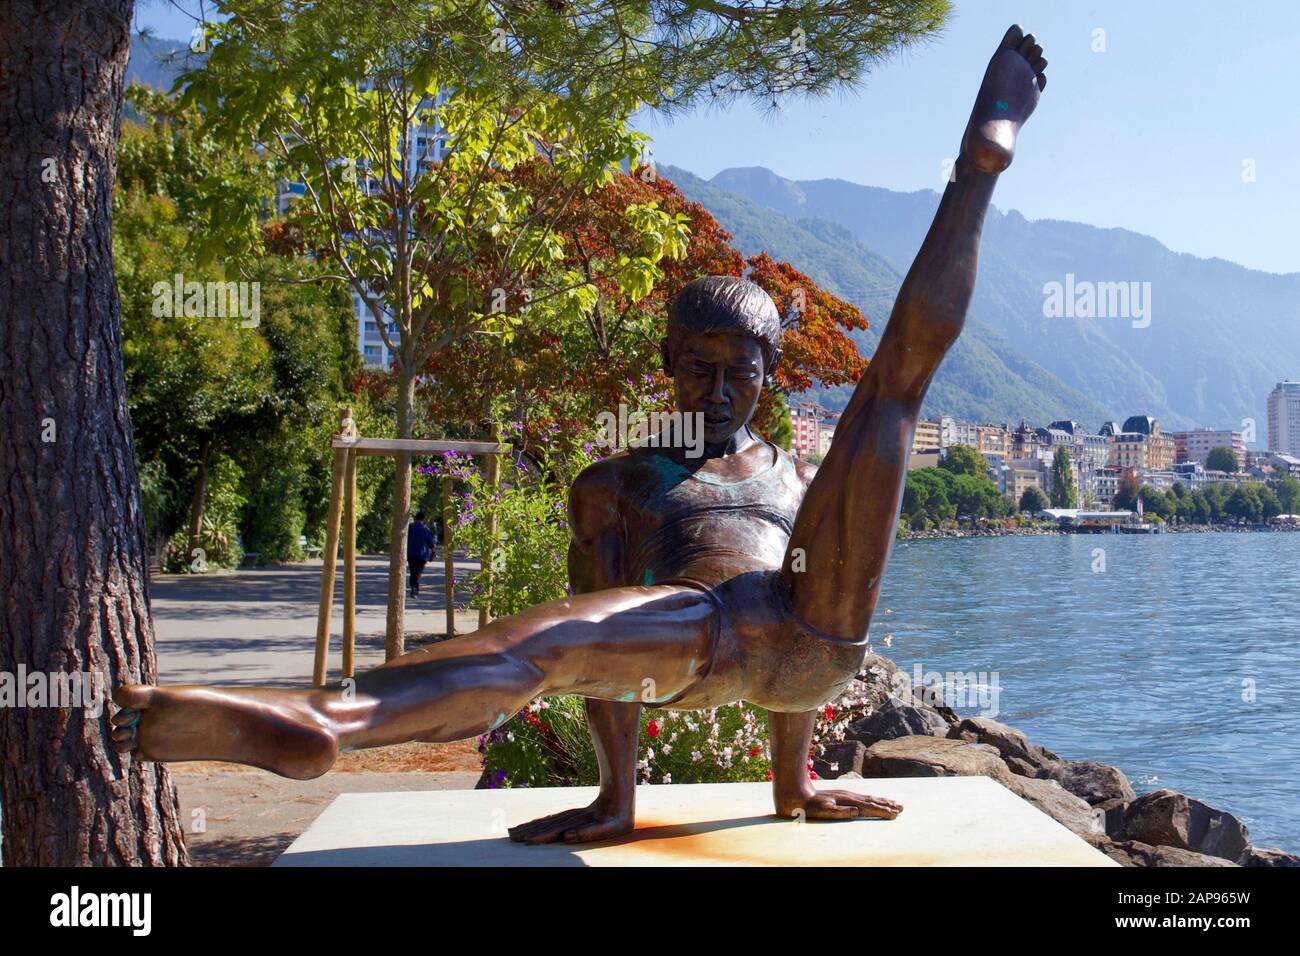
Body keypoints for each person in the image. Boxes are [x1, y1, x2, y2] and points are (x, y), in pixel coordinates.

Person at [112, 25, 1046, 843]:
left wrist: (794, 783)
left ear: (771, 376)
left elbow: (802, 643)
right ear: (669, 369)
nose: (718, 389)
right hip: (697, 632)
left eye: (741, 371)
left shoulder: (799, 479)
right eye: (697, 368)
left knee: (892, 391)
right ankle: (328, 722)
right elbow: (598, 650)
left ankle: (979, 168)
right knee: (534, 650)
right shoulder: (619, 481)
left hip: (815, 630)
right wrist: (617, 799)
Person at [407, 511, 434, 598]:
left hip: (411, 554)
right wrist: (433, 552)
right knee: (418, 572)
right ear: (423, 519)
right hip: (422, 555)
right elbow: (430, 542)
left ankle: (413, 588)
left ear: (415, 518)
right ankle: (415, 589)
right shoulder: (425, 529)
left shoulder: (410, 527)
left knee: (412, 571)